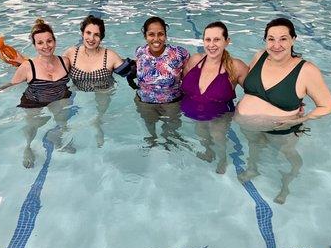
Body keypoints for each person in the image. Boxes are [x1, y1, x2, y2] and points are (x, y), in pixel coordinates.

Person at [235, 17, 331, 203]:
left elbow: (327, 105)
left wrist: (299, 120)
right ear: (265, 40)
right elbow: (251, 87)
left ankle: (287, 181)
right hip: (250, 126)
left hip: (283, 129)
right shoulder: (259, 56)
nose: (276, 45)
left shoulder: (306, 70)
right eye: (271, 39)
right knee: (254, 146)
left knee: (288, 156)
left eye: (283, 38)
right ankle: (253, 168)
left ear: (293, 40)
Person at [0, 18, 74, 168]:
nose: (46, 46)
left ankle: (58, 139)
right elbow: (11, 84)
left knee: (63, 122)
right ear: (34, 45)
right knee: (32, 127)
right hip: (34, 100)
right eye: (40, 43)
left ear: (55, 41)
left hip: (58, 97)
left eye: (49, 41)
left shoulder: (65, 61)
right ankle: (28, 147)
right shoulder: (28, 66)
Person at [181, 21, 248, 174]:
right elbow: (184, 83)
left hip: (220, 116)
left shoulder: (236, 66)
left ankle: (222, 159)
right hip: (195, 114)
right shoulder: (195, 60)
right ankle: (207, 152)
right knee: (201, 133)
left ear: (227, 41)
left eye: (217, 39)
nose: (212, 45)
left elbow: (254, 92)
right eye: (208, 40)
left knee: (218, 137)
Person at [63, 15, 135, 147]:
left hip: (104, 89)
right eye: (88, 33)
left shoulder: (110, 56)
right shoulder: (71, 53)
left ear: (101, 37)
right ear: (82, 33)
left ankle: (98, 123)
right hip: (78, 88)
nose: (91, 38)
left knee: (99, 112)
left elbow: (129, 72)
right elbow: (53, 67)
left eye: (96, 35)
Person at [134, 16, 190, 148]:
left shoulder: (179, 54)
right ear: (145, 36)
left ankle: (168, 142)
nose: (156, 39)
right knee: (149, 125)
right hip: (145, 102)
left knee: (171, 133)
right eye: (151, 34)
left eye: (160, 34)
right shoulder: (140, 52)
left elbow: (190, 78)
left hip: (172, 103)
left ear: (165, 35)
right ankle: (152, 138)